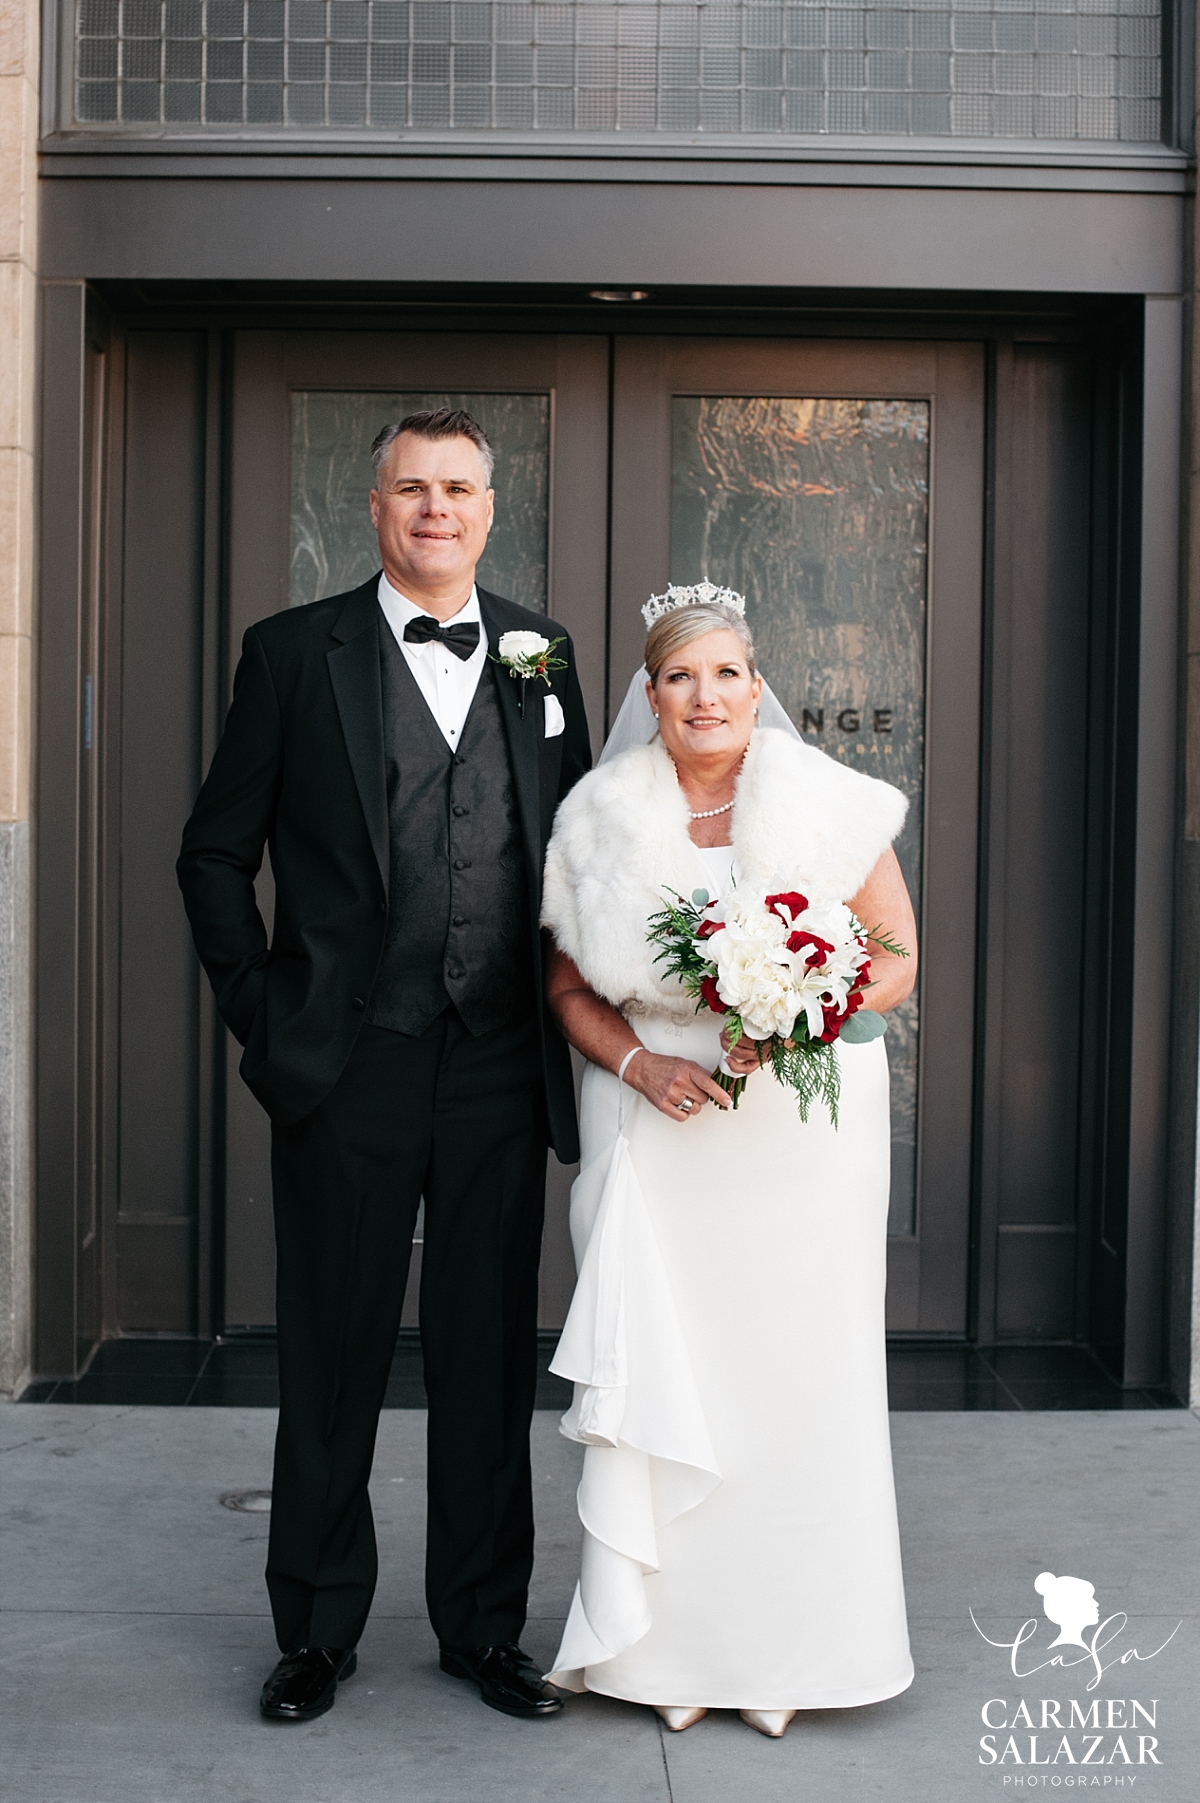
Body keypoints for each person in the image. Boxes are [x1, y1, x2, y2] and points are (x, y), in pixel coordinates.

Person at [177, 409, 590, 1724]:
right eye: (411, 487)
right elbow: (211, 851)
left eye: (458, 487)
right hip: (348, 1059)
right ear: (374, 506)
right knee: (334, 1352)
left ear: (488, 505)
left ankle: (482, 1627)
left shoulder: (541, 653)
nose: (435, 508)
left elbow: (578, 853)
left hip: (494, 1065)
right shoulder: (295, 653)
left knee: (485, 1361)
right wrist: (264, 1007)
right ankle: (314, 1630)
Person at [539, 586, 917, 1737]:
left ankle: (792, 1651)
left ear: (758, 685)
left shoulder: (827, 805)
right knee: (674, 1372)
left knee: (801, 1378)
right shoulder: (597, 816)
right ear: (649, 699)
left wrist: (804, 1008)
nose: (705, 697)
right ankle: (672, 1654)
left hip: (804, 1138)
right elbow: (563, 989)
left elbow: (895, 958)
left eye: (725, 674)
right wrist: (642, 1064)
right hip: (660, 1127)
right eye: (679, 677)